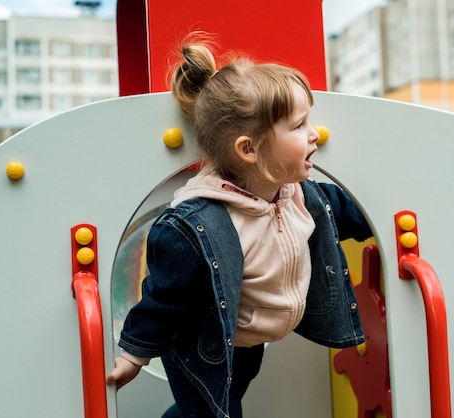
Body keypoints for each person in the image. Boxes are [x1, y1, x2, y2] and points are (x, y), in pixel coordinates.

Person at [106, 33, 373, 418]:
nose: (314, 133)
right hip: (203, 349)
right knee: (215, 413)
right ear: (249, 150)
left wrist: (394, 217)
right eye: (298, 126)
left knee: (221, 406)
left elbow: (352, 212)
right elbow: (165, 301)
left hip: (247, 345)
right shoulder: (198, 226)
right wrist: (135, 354)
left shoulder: (301, 197)